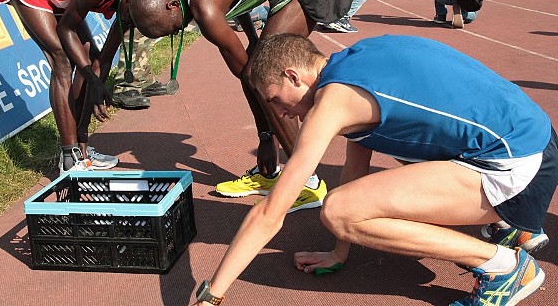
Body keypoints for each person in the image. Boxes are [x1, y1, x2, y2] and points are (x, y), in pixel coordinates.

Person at [191, 33, 556, 306]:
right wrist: (340, 252)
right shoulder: (357, 61)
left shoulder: (334, 102)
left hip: (515, 164)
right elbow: (354, 171)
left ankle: (504, 267)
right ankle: (512, 225)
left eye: (274, 99)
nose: (281, 113)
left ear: (292, 76)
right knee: (374, 174)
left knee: (336, 209)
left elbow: (271, 212)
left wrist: (211, 296)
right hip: (534, 137)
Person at [128, 0, 352, 211]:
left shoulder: (205, 8)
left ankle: (307, 181)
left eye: (175, 26)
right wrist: (252, 38)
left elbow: (251, 77)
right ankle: (272, 174)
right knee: (262, 64)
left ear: (173, 4)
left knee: (267, 75)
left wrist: (265, 138)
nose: (181, 29)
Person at [0, 0, 134, 173]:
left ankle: (82, 149)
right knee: (62, 59)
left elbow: (101, 61)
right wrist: (94, 81)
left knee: (88, 55)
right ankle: (69, 157)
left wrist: (95, 89)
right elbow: (66, 30)